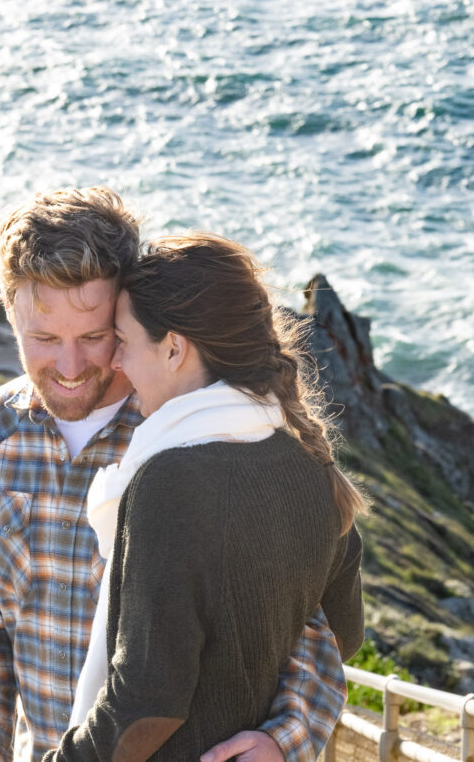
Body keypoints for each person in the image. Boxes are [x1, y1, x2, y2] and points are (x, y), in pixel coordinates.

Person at [0, 187, 350, 762]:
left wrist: (287, 738)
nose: (73, 367)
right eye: (45, 339)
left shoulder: (201, 434)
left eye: (96, 338)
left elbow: (310, 618)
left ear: (126, 313)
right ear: (9, 313)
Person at [45, 234, 365, 762]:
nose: (117, 363)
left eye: (123, 341)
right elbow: (343, 634)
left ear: (174, 348)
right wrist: (281, 738)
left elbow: (148, 700)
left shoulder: (169, 480)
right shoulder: (311, 463)